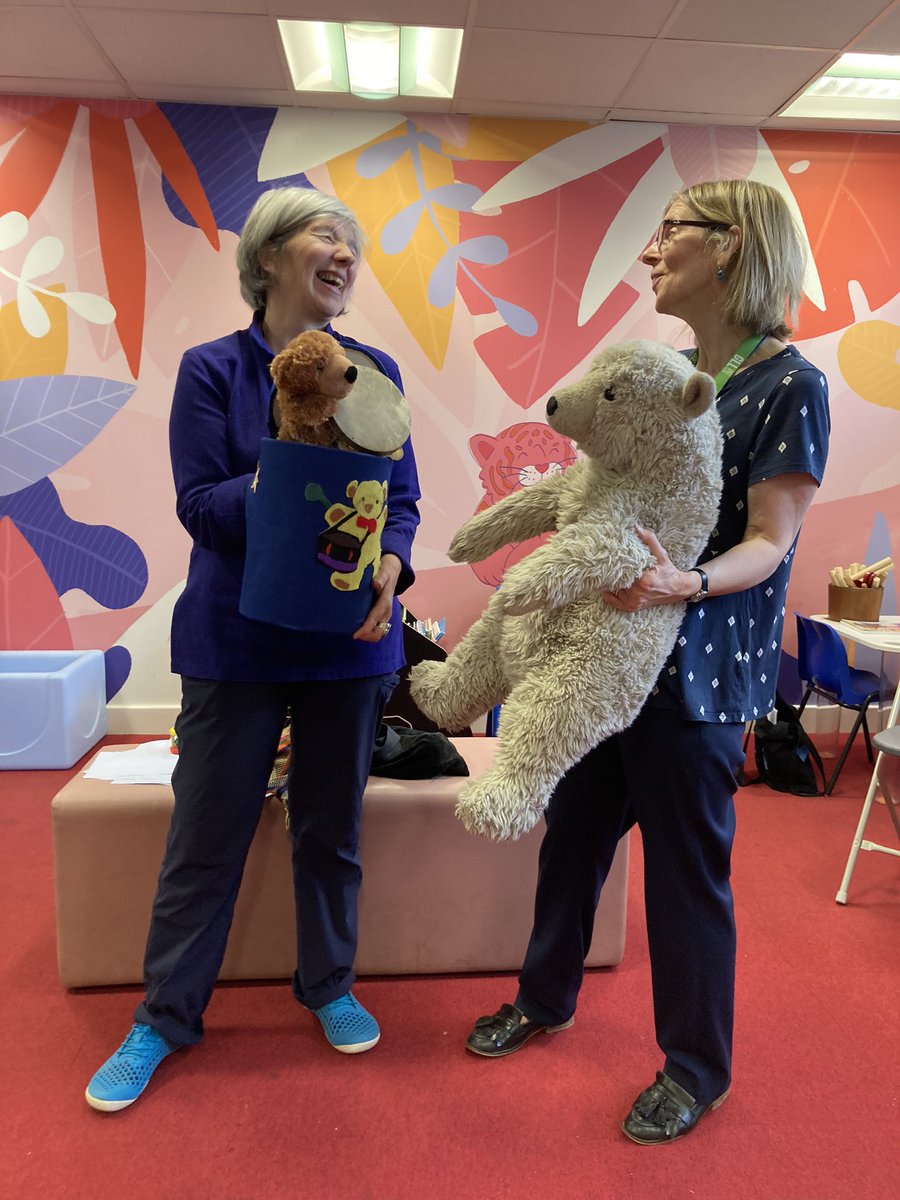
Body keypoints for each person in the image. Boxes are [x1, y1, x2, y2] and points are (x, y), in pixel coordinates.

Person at [464, 179, 830, 1145]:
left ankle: (696, 1069)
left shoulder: (792, 382)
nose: (651, 250)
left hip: (698, 672)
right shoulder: (667, 374)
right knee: (572, 841)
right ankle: (544, 998)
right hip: (606, 662)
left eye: (671, 232)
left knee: (683, 876)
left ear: (735, 247)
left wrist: (684, 586)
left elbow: (770, 539)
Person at [85, 187, 421, 1112]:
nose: (345, 255)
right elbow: (199, 505)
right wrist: (291, 471)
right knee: (206, 838)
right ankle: (164, 1016)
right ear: (269, 258)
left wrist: (393, 560)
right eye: (326, 236)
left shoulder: (377, 370)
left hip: (350, 646)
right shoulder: (210, 372)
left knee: (331, 831)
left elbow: (403, 499)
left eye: (353, 243)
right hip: (234, 641)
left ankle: (330, 985)